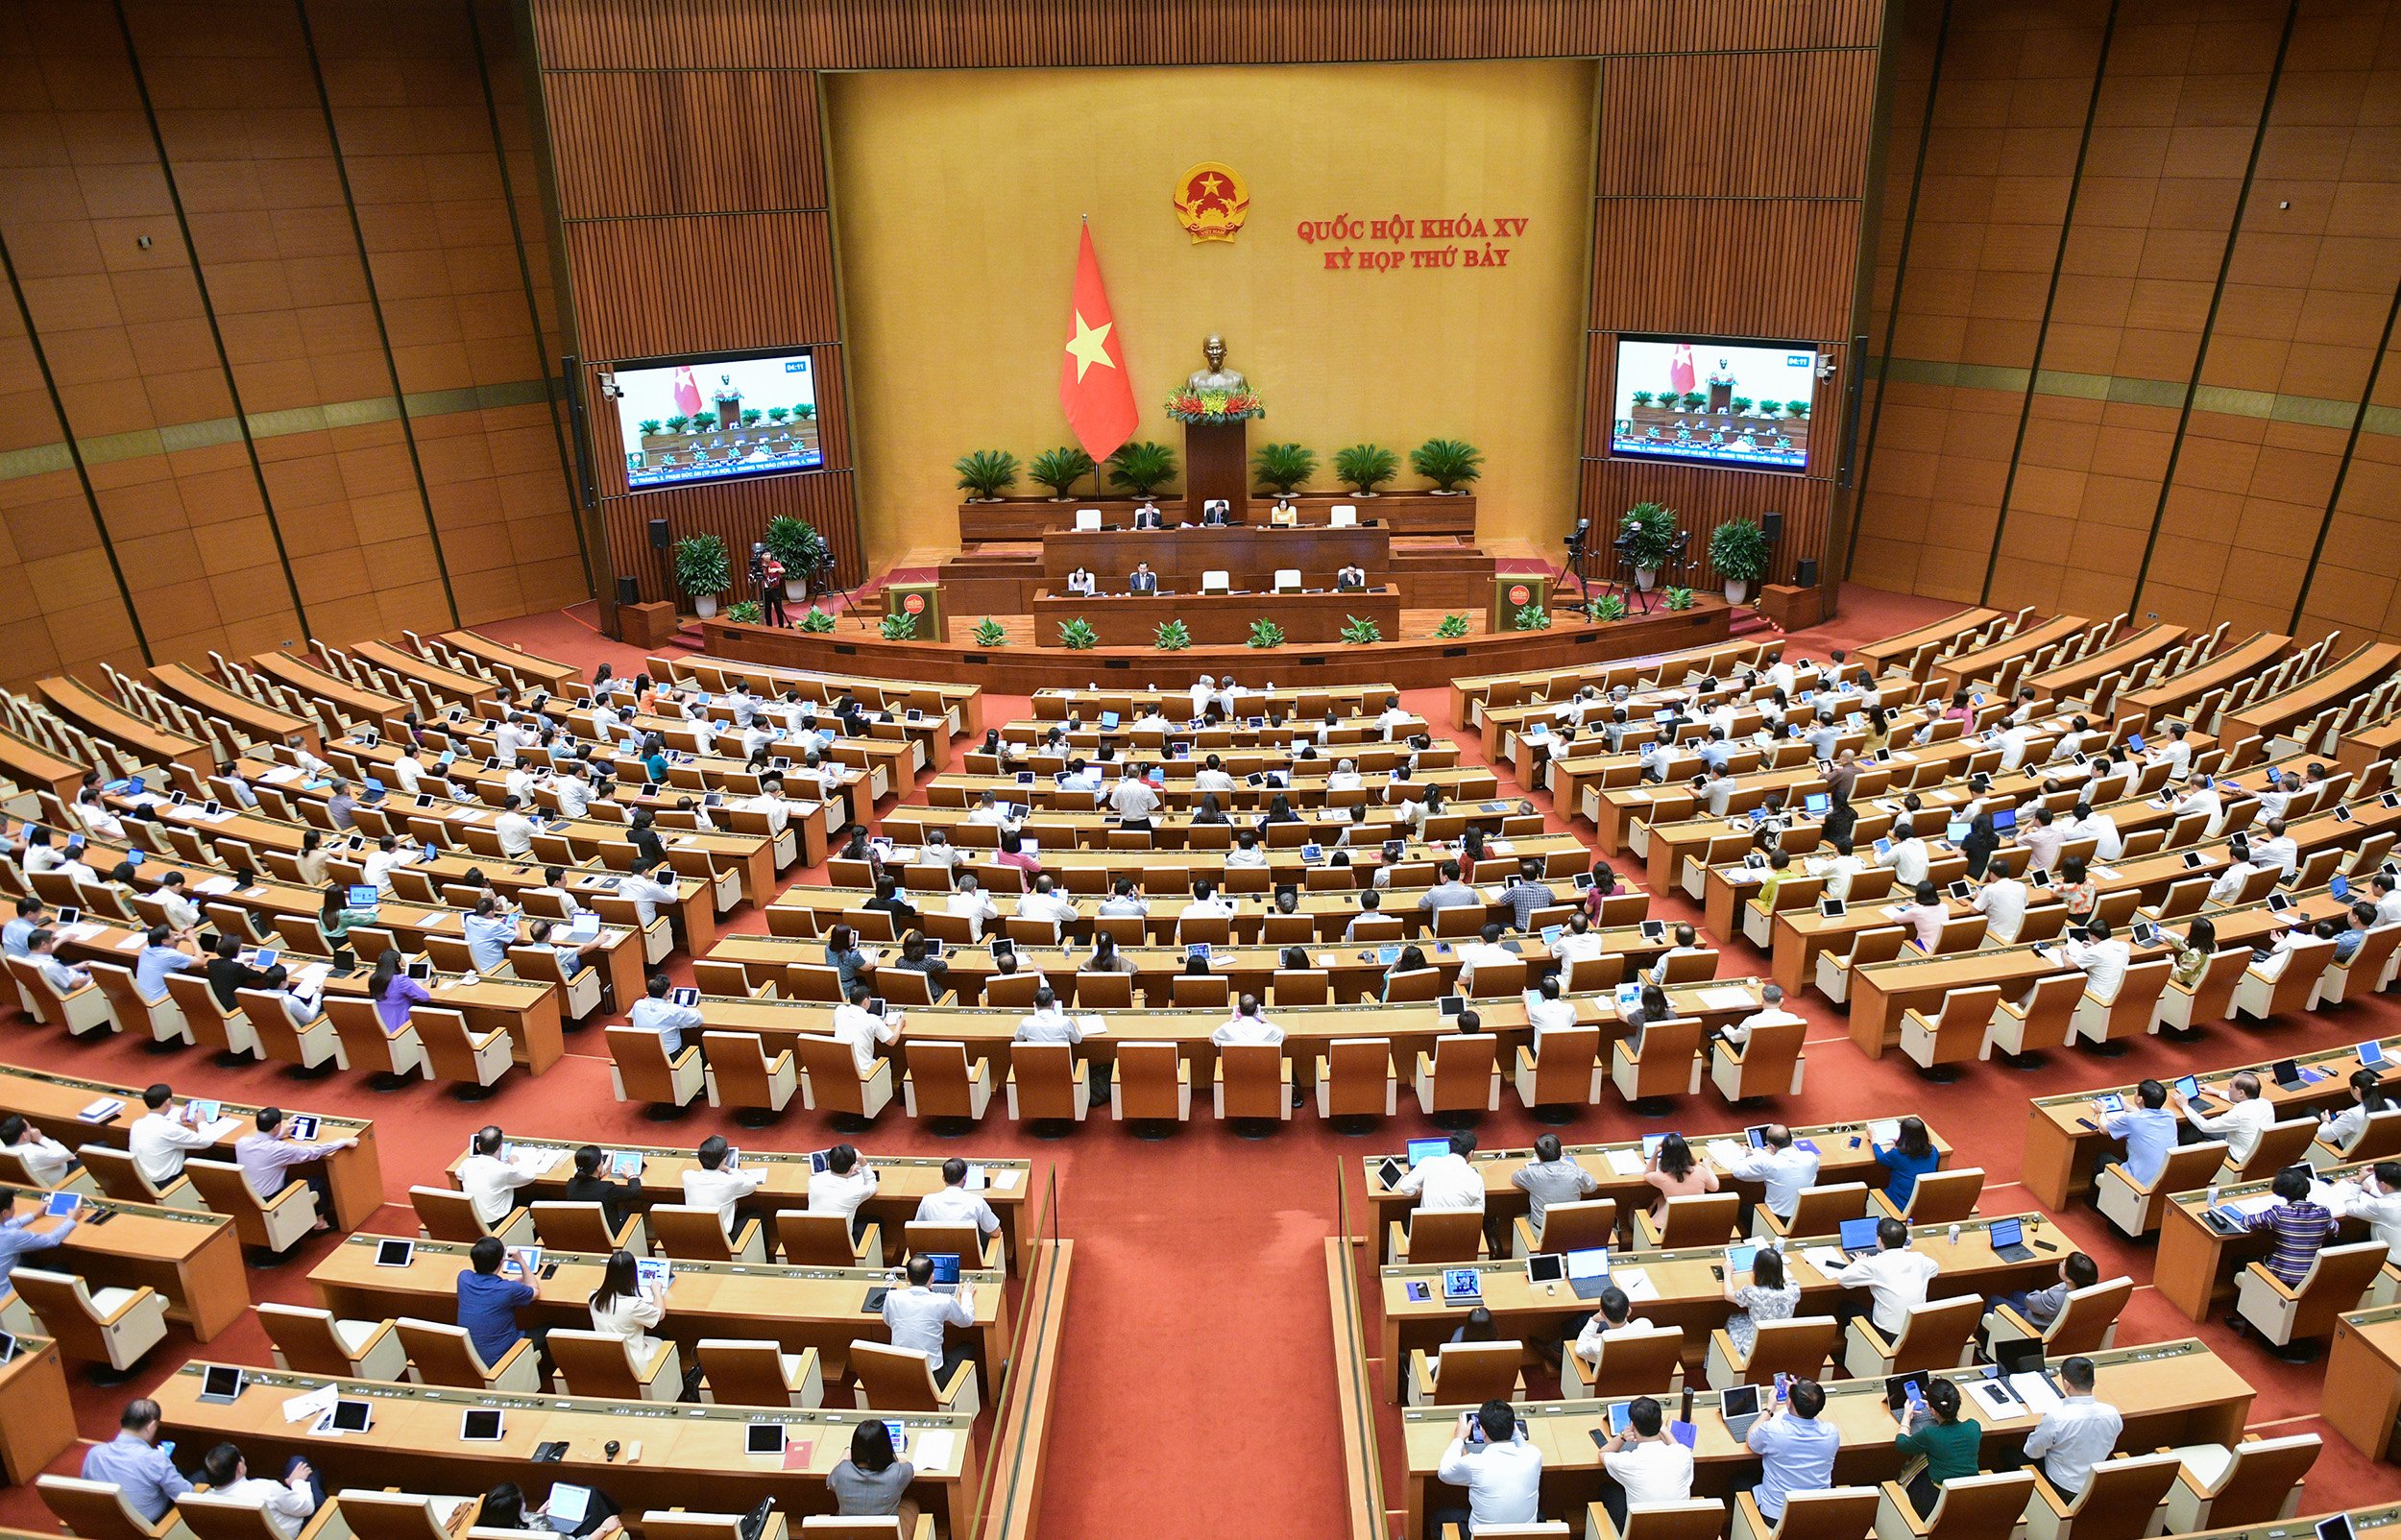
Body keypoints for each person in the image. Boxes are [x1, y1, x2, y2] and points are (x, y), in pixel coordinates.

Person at [234, 1107, 355, 1234]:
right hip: (271, 1200)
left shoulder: (242, 1143)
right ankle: (320, 1224)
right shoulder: (279, 1149)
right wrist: (342, 1142)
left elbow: (265, 1144)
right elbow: (312, 1152)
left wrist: (279, 1134)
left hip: (248, 1197)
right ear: (276, 1127)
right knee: (316, 1183)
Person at [1433, 1401, 1543, 1537]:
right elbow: (1523, 1447)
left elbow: (1444, 1473)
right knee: (1541, 1514)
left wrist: (1459, 1439)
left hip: (1482, 1536)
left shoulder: (1473, 1463)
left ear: (1483, 1431)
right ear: (1514, 1428)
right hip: (1524, 1536)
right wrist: (1513, 1431)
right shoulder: (1534, 1455)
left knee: (1439, 1517)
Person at [2023, 1356, 2122, 1498]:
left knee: (2009, 1454)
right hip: (2093, 1483)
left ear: (2066, 1384)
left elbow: (2032, 1452)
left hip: (2061, 1485)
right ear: (2093, 1382)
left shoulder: (2056, 1418)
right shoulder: (2112, 1413)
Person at [1748, 1379, 1839, 1527]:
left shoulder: (1774, 1431)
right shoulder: (1831, 1433)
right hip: (1816, 1514)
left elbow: (1751, 1439)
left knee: (1738, 1481)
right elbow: (1813, 1415)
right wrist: (1805, 1396)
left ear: (1789, 1403)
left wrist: (1769, 1409)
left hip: (1776, 1517)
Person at [80, 1400, 191, 1521]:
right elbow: (187, 1495)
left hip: (106, 1522)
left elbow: (86, 1492)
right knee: (199, 1476)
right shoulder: (154, 1459)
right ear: (152, 1426)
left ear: (122, 1422)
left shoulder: (95, 1453)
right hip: (147, 1527)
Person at [1596, 1395, 1693, 1527]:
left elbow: (1603, 1453)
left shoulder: (1628, 1462)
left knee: (1608, 1490)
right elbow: (1675, 1446)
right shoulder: (1683, 1454)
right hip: (1678, 1530)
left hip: (1640, 1532)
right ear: (1660, 1422)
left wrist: (1623, 1436)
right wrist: (1663, 1428)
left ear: (1633, 1426)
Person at [197, 1444, 325, 1540]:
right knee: (300, 1463)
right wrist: (296, 1482)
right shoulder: (266, 1489)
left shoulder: (205, 1502)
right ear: (240, 1468)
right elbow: (307, 1507)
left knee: (312, 1474)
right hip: (301, 1530)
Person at [1837, 1217, 1941, 1335]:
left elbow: (1843, 1279)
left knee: (1845, 1307)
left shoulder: (1874, 1264)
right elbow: (1935, 1268)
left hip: (1887, 1334)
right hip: (1915, 1330)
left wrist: (1861, 1262)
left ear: (1879, 1240)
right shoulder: (1919, 1259)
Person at [882, 1251, 975, 1380]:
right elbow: (967, 1320)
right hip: (933, 1377)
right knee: (968, 1347)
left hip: (900, 1373)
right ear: (932, 1277)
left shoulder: (892, 1297)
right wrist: (966, 1294)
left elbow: (887, 1321)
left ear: (907, 1277)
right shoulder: (944, 1300)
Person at [1893, 1377, 1979, 1515]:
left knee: (1916, 1462)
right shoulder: (1974, 1427)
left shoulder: (1930, 1435)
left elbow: (1901, 1444)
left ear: (1932, 1410)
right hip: (1970, 1495)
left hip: (1935, 1498)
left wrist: (1906, 1417)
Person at [456, 1235, 542, 1371]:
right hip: (501, 1358)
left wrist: (513, 1282)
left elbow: (493, 1289)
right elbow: (535, 1291)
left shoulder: (463, 1278)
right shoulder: (508, 1289)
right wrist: (521, 1261)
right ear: (501, 1261)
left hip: (471, 1355)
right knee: (551, 1331)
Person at [2247, 1163, 2339, 1287]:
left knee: (2238, 1261)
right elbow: (2335, 1230)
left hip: (2280, 1276)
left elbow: (2247, 1222)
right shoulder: (2323, 1211)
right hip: (2311, 1275)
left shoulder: (2279, 1213)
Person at [587, 1246, 669, 1371]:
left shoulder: (593, 1298)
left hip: (608, 1358)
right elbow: (660, 1314)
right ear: (632, 1276)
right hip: (634, 1362)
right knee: (664, 1338)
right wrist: (657, 1291)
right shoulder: (633, 1306)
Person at [1719, 1124, 1820, 1225]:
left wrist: (1743, 1153)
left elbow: (1737, 1172)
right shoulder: (1810, 1157)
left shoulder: (1769, 1163)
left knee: (1743, 1208)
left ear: (1771, 1146)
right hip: (1803, 1216)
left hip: (1775, 1220)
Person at [1989, 1250, 2100, 1337]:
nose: (2060, 1263)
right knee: (2015, 1294)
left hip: (2036, 1324)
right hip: (2049, 1316)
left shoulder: (2054, 1299)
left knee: (1992, 1299)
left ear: (2070, 1279)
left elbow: (2030, 1300)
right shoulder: (2086, 1289)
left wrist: (2044, 1292)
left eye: (2063, 1265)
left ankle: (1987, 1342)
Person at [2174, 1071, 2273, 1168]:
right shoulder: (2266, 1103)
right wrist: (2216, 1092)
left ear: (2241, 1093)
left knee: (2193, 1130)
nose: (2228, 1089)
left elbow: (2204, 1126)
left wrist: (2184, 1106)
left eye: (2231, 1086)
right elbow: (2243, 1100)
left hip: (2237, 1157)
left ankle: (2176, 1153)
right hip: (2253, 1152)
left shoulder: (2238, 1114)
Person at [830, 1418, 918, 1525]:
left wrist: (846, 1453)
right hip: (886, 1536)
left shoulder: (841, 1473)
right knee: (911, 1504)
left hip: (849, 1535)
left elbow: (829, 1482)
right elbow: (909, 1467)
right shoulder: (897, 1474)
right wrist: (894, 1455)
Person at [130, 1083, 217, 1187]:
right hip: (170, 1183)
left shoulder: (137, 1124)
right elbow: (206, 1141)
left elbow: (162, 1130)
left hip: (144, 1181)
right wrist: (202, 1122)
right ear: (168, 1102)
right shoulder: (170, 1130)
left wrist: (179, 1119)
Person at [1721, 1243, 1800, 1360]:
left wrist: (1727, 1273)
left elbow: (1728, 1294)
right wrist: (1776, 1269)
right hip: (1781, 1343)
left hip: (1753, 1346)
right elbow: (1789, 1280)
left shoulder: (1753, 1293)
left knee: (1734, 1319)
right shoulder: (1793, 1290)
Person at [684, 1135, 766, 1239]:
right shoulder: (729, 1182)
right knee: (757, 1215)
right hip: (723, 1240)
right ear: (723, 1159)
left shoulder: (687, 1176)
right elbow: (752, 1184)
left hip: (696, 1237)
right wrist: (728, 1169)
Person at [2102, 1080, 2179, 1189]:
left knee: (2103, 1159)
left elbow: (2103, 1129)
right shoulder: (2170, 1115)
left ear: (2140, 1099)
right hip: (2165, 1181)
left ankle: (2095, 1203)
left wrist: (2101, 1111)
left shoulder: (2131, 1120)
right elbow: (2147, 1115)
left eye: (2136, 1092)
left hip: (2139, 1184)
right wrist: (2128, 1107)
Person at [477, 1482, 623, 1539]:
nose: (525, 1504)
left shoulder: (486, 1528)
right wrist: (604, 1528)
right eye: (522, 1503)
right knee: (593, 1494)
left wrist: (537, 1516)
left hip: (544, 1527)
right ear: (514, 1514)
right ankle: (617, 1519)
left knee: (591, 1494)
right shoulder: (539, 1536)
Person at [1513, 1134, 1596, 1230]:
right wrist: (1570, 1165)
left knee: (1519, 1216)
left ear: (1538, 1156)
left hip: (1541, 1232)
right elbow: (1592, 1187)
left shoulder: (1532, 1173)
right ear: (1561, 1151)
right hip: (1571, 1231)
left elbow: (1515, 1177)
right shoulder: (1576, 1173)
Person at [1390, 1130, 1484, 1215]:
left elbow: (1405, 1187)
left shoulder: (1428, 1162)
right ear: (1471, 1153)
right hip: (1459, 1232)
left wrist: (1418, 1191)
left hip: (1427, 1232)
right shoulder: (1476, 1179)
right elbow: (1479, 1213)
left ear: (1450, 1147)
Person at [564, 1144, 643, 1234]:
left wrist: (601, 1171)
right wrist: (631, 1175)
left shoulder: (571, 1185)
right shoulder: (607, 1189)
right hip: (613, 1238)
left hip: (585, 1234)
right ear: (597, 1167)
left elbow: (590, 1185)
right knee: (630, 1208)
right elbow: (636, 1192)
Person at [915, 1156, 1001, 1238]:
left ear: (944, 1178)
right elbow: (995, 1232)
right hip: (968, 1252)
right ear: (965, 1178)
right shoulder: (976, 1202)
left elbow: (916, 1230)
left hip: (935, 1251)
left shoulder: (927, 1201)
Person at [810, 1143, 880, 1241]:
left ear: (829, 1164)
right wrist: (863, 1162)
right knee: (877, 1221)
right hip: (844, 1249)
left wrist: (847, 1173)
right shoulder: (855, 1191)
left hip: (814, 1245)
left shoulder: (813, 1181)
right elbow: (873, 1186)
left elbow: (827, 1176)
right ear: (851, 1168)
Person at [1872, 1117, 1941, 1210]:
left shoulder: (1897, 1155)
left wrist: (1873, 1141)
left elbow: (1880, 1158)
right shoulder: (1934, 1150)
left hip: (1899, 1205)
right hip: (1924, 1204)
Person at [627, 974, 703, 1054]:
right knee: (700, 1047)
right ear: (667, 992)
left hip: (645, 1054)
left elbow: (631, 1016)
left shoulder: (638, 1004)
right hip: (671, 1056)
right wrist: (686, 1009)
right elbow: (698, 1020)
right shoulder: (673, 1010)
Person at [0, 1113, 75, 1188]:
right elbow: (66, 1154)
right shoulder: (34, 1152)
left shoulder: (5, 1152)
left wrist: (64, 1157)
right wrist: (40, 1138)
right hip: (65, 1180)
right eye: (30, 1128)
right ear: (24, 1136)